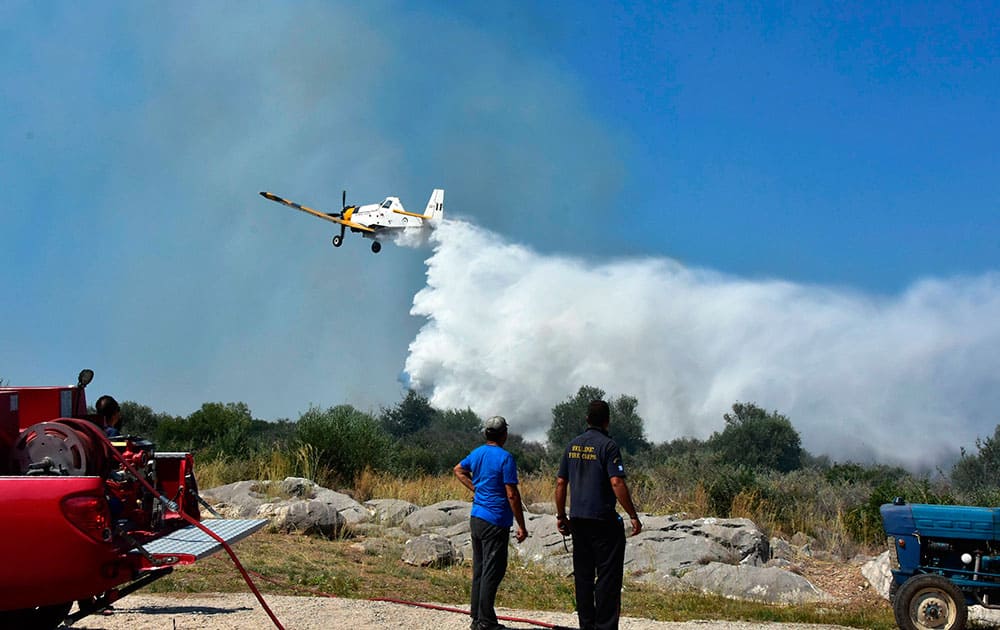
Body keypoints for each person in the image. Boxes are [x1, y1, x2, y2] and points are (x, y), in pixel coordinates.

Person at [555, 400, 642, 630]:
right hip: (603, 521)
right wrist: (632, 514)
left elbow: (561, 482)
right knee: (608, 577)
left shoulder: (572, 445)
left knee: (583, 578)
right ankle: (604, 626)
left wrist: (561, 516)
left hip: (578, 521)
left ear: (586, 420)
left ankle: (587, 625)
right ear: (607, 421)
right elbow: (616, 481)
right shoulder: (608, 446)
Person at [454, 416, 529, 630]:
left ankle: (477, 617)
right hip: (495, 520)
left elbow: (458, 469)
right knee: (493, 570)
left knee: (479, 568)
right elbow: (512, 494)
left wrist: (475, 488)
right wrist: (521, 525)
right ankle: (486, 622)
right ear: (504, 434)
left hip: (477, 517)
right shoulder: (505, 458)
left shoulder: (477, 453)